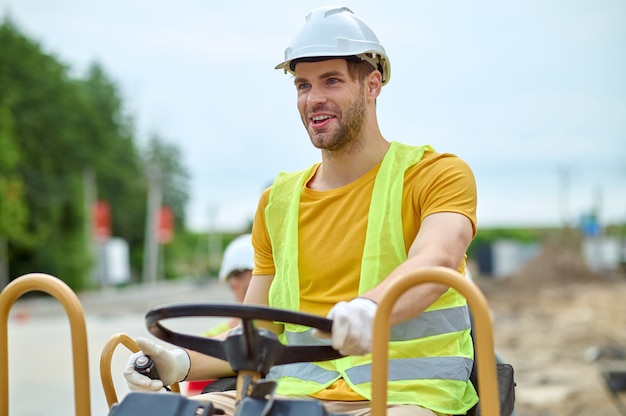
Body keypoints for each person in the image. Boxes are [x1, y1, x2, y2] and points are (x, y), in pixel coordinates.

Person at [124, 6, 478, 416]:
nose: (314, 99)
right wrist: (181, 362)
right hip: (292, 398)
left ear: (372, 85)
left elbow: (436, 259)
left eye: (332, 81)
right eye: (303, 85)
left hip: (406, 396)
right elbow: (259, 332)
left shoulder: (435, 174)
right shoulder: (278, 200)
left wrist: (371, 310)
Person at [184, 233, 254, 395]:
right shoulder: (205, 346)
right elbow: (196, 406)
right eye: (257, 273)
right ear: (234, 281)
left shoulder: (290, 335)